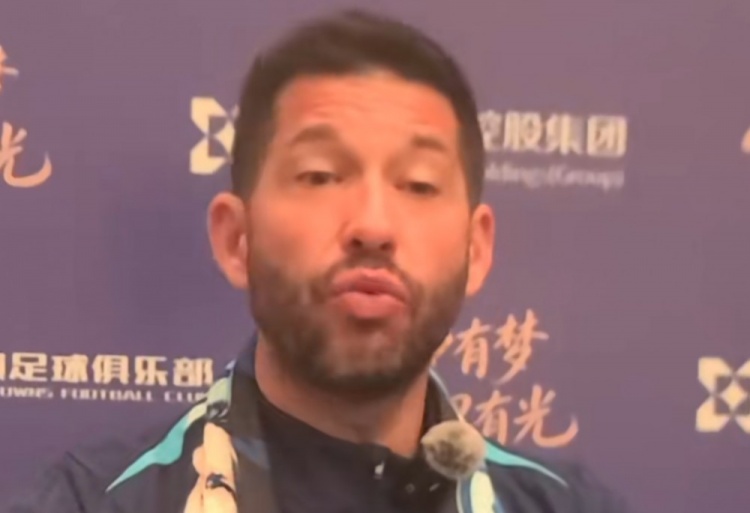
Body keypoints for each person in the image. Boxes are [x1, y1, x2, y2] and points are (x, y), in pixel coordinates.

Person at [4, 9, 630, 513]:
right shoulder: (93, 503)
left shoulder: (566, 506)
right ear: (236, 239)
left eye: (418, 183)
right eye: (321, 175)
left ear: (477, 249)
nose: (373, 226)